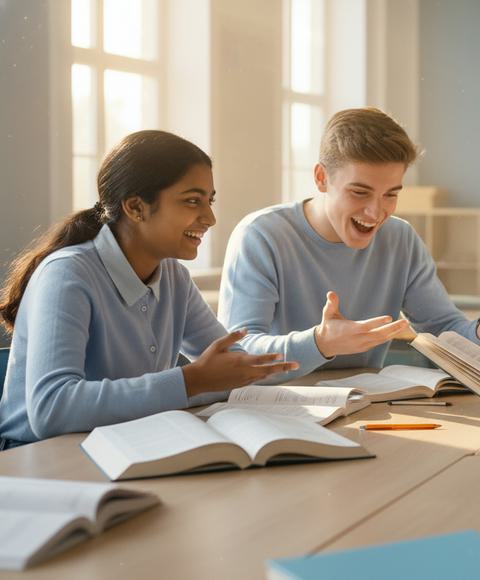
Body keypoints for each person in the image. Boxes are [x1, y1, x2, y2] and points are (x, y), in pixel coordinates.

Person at [0, 130, 296, 448]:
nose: (210, 218)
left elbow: (229, 366)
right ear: (136, 207)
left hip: (126, 444)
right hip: (36, 460)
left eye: (209, 201)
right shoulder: (67, 276)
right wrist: (192, 380)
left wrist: (311, 349)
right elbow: (52, 409)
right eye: (192, 201)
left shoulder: (173, 277)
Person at [219, 107, 480, 382]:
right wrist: (320, 343)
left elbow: (444, 330)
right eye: (359, 192)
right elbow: (237, 354)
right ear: (321, 178)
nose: (376, 212)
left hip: (363, 411)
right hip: (272, 416)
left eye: (391, 194)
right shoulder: (261, 236)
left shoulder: (400, 240)